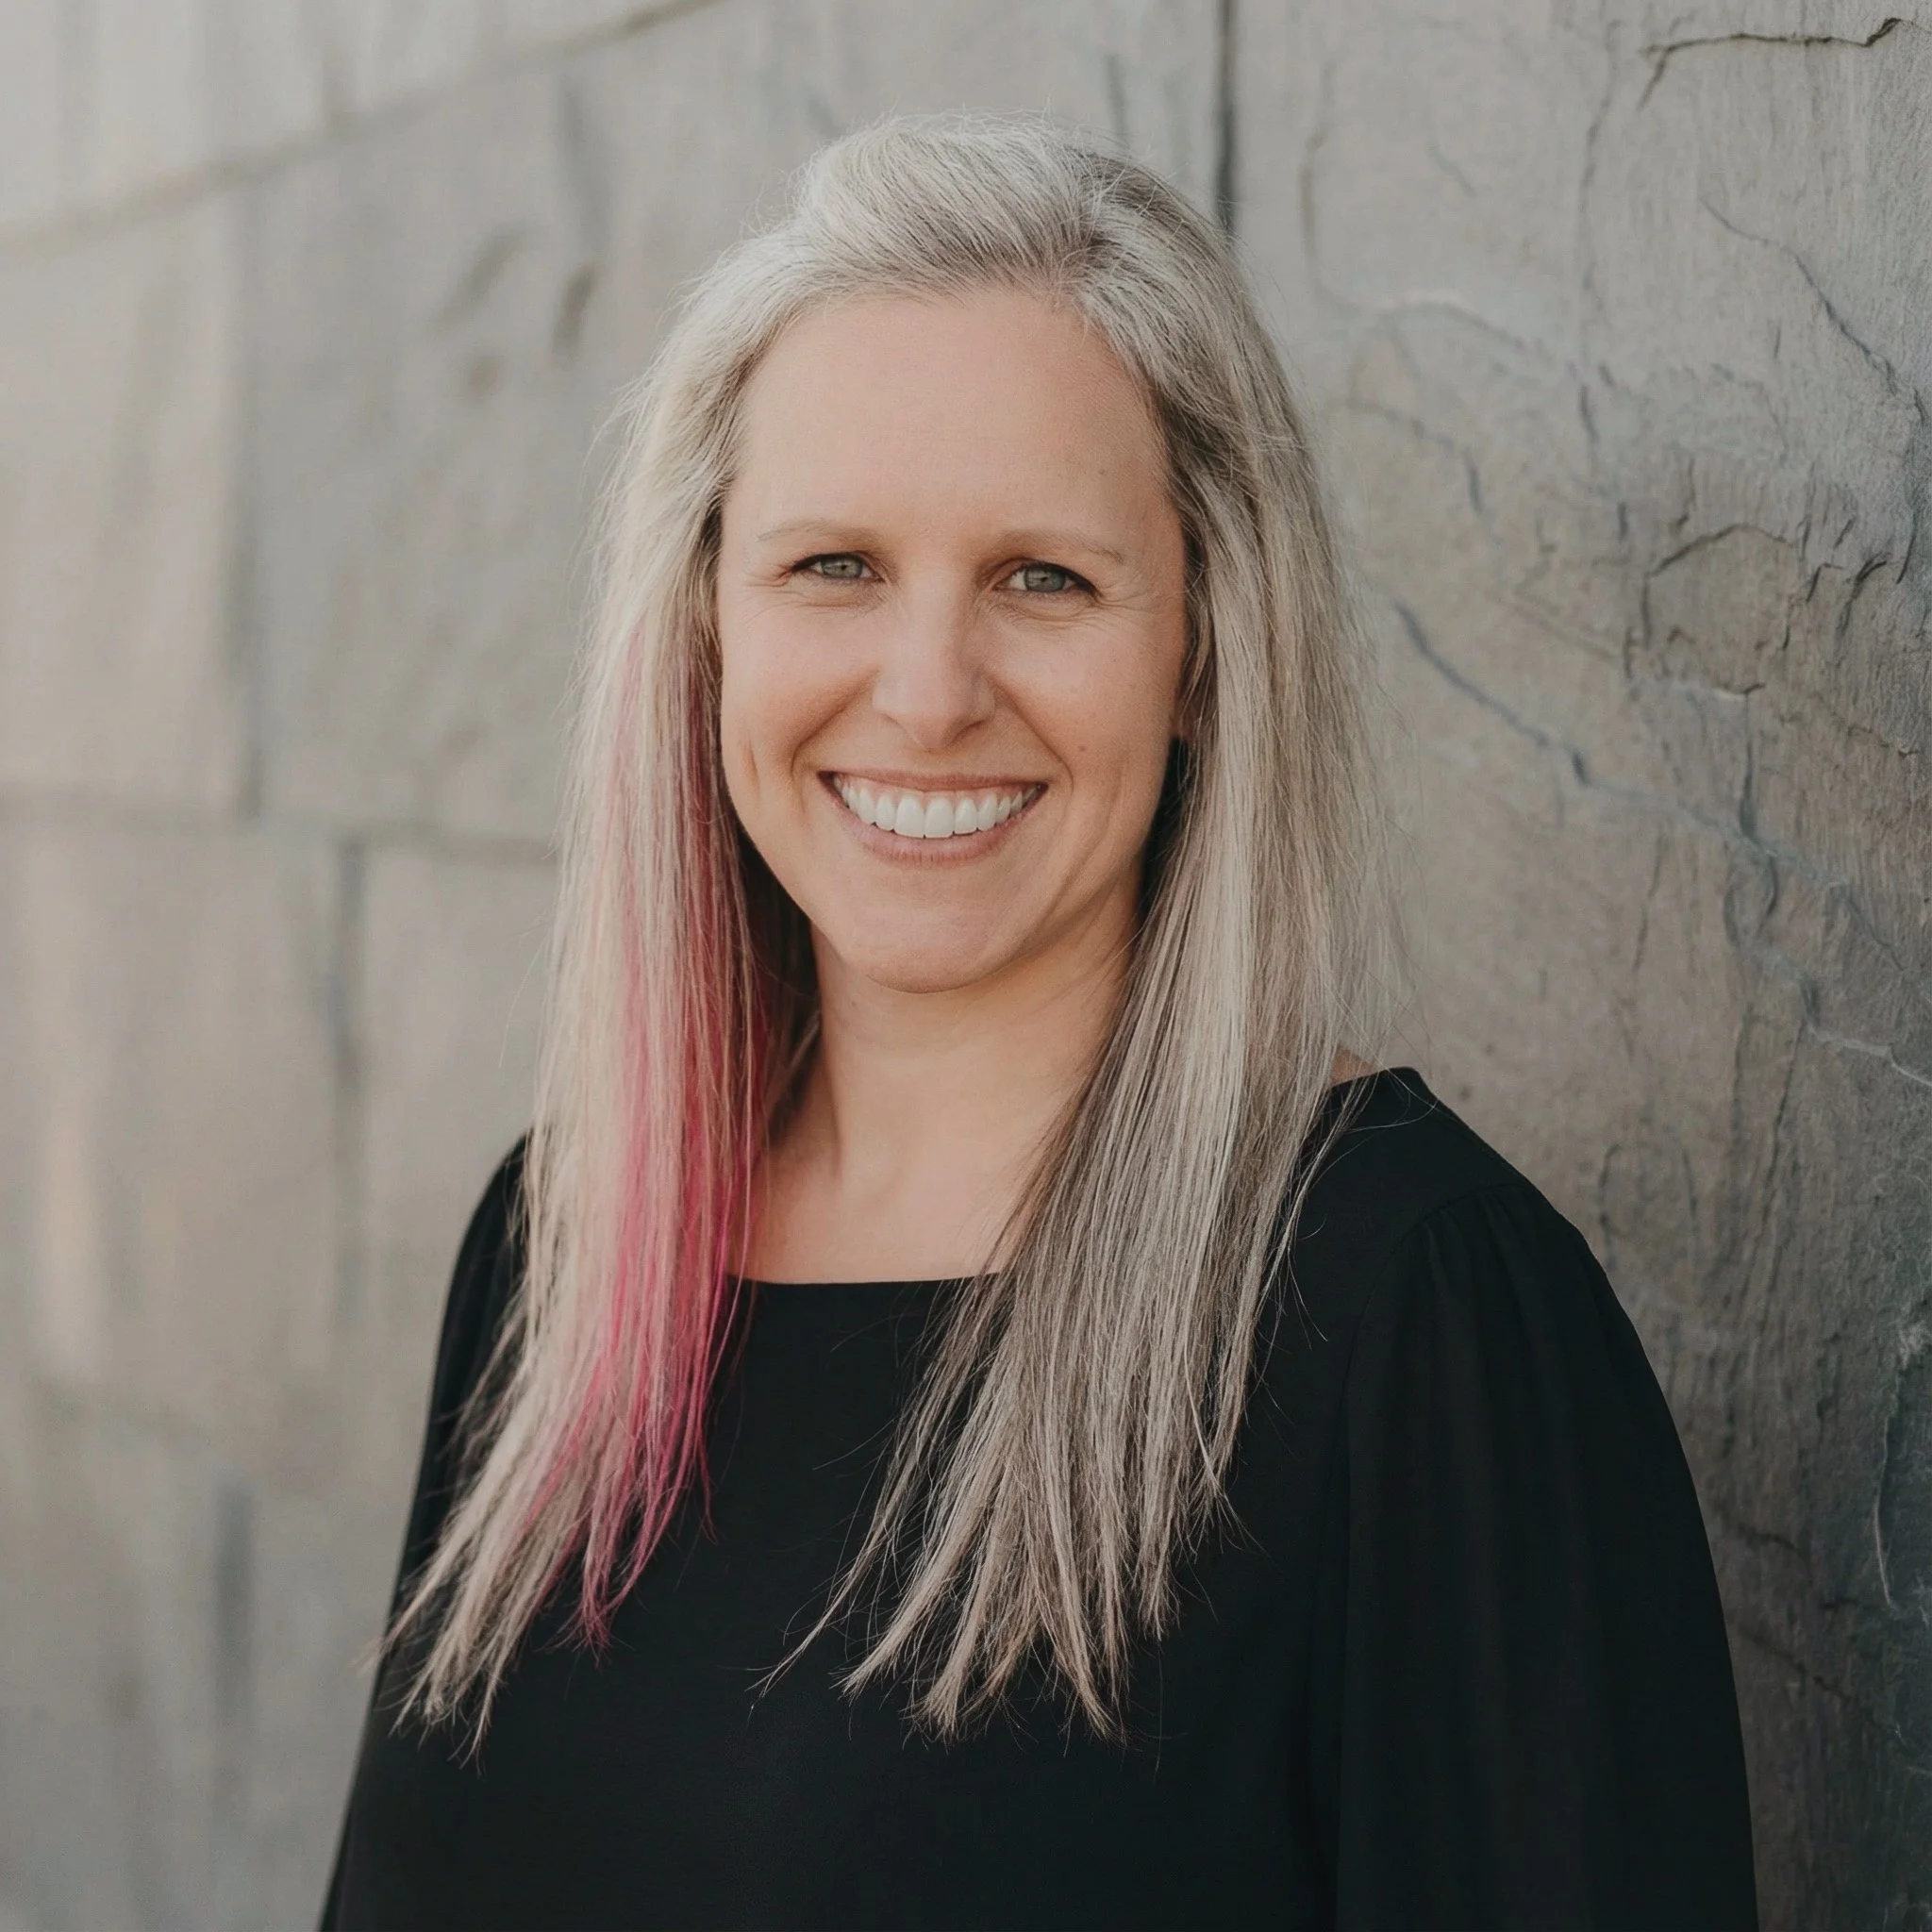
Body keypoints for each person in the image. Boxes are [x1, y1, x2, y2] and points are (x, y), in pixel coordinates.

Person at [320, 115, 1757, 1930]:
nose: (926, 695)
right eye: (832, 565)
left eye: (1044, 578)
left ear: (1207, 650)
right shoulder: (568, 1243)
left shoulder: (1418, 1322)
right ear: (699, 628)